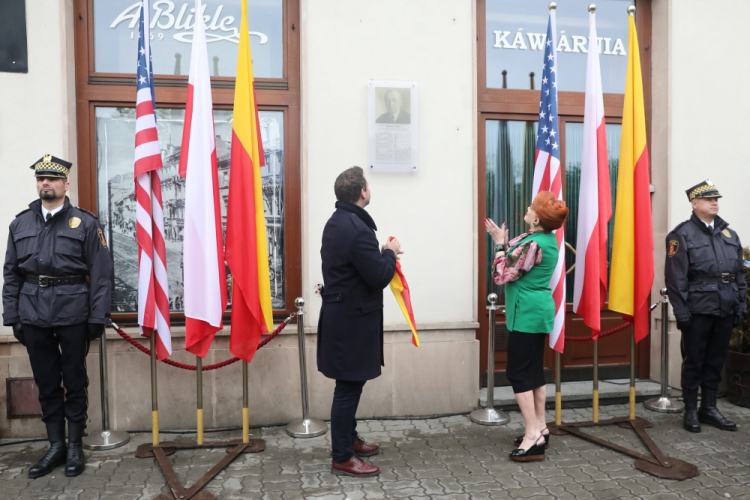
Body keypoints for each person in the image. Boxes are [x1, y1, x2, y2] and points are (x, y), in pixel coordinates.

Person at [2, 155, 113, 478]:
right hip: (32, 313)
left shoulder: (86, 223)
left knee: (75, 380)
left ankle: (75, 445)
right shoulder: (20, 223)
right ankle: (55, 446)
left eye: (51, 179)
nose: (45, 184)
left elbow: (102, 273)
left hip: (73, 313)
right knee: (47, 382)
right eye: (40, 179)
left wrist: (98, 316)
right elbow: (11, 275)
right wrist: (13, 317)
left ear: (66, 184)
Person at [317, 166, 402, 477]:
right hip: (351, 322)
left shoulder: (337, 222)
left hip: (344, 318)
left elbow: (357, 267)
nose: (370, 188)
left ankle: (349, 440)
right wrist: (389, 253)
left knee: (349, 384)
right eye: (368, 184)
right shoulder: (356, 229)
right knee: (348, 389)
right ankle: (342, 455)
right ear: (362, 192)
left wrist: (379, 254)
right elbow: (379, 276)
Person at [485, 191, 568, 462]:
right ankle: (541, 428)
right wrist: (503, 241)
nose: (528, 208)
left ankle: (532, 435)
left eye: (532, 207)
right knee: (532, 372)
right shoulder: (542, 238)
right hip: (535, 311)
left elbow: (502, 274)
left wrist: (499, 244)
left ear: (537, 219)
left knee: (518, 373)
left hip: (528, 314)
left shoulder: (534, 244)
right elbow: (516, 259)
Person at [665, 180, 745, 433]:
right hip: (698, 309)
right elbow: (676, 278)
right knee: (695, 361)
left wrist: (740, 304)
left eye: (716, 199)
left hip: (726, 307)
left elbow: (739, 274)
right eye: (709, 199)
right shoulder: (681, 235)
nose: (715, 203)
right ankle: (690, 410)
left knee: (715, 360)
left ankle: (709, 408)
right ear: (694, 203)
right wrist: (681, 311)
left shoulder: (729, 235)